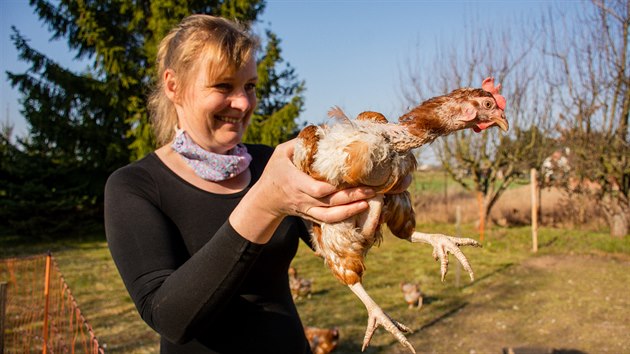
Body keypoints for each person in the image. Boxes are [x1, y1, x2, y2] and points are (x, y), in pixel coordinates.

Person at [104, 14, 387, 353]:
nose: (243, 103)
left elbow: (337, 237)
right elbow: (170, 318)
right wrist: (264, 203)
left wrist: (371, 183)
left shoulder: (270, 162)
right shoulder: (135, 186)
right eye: (223, 86)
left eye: (249, 86)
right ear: (173, 86)